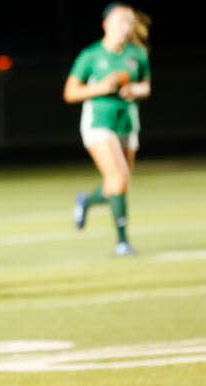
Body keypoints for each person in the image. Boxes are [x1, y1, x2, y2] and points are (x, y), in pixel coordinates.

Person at [63, 3, 151, 256]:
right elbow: (70, 93)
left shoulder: (137, 55)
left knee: (118, 183)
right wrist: (101, 88)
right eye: (121, 20)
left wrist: (133, 90)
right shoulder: (91, 56)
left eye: (130, 21)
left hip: (127, 122)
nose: (127, 25)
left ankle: (86, 201)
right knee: (119, 178)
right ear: (106, 24)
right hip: (98, 123)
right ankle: (122, 242)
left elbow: (146, 87)